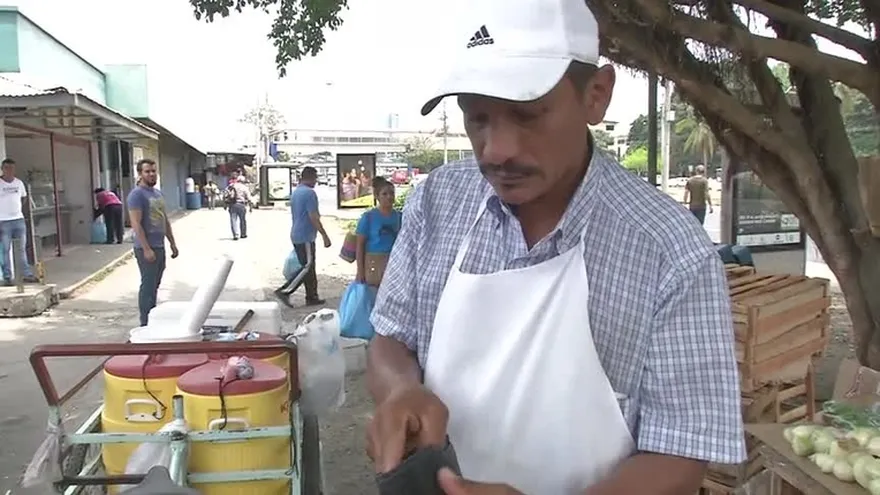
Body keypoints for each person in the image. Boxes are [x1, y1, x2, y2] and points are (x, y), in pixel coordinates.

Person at [364, 1, 745, 494]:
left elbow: (683, 452)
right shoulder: (438, 202)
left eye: (527, 115)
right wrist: (400, 390)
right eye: (477, 118)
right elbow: (391, 338)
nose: (497, 150)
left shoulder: (669, 250)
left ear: (596, 95)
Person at [128, 158, 179, 327]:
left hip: (159, 246)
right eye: (147, 171)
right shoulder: (137, 195)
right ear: (140, 174)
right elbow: (136, 223)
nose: (151, 174)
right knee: (148, 286)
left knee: (155, 286)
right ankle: (145, 323)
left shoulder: (158, 194)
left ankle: (152, 317)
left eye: (153, 171)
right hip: (146, 248)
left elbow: (164, 220)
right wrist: (146, 248)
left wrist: (172, 243)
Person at [277, 166, 331, 306]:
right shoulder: (309, 193)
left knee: (309, 267)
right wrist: (324, 235)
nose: (316, 181)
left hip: (297, 232)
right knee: (306, 267)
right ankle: (285, 290)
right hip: (305, 235)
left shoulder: (297, 192)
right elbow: (313, 216)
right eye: (316, 178)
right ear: (312, 177)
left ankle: (312, 296)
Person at [356, 178, 401, 287]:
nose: (389, 197)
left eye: (391, 193)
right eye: (384, 194)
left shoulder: (400, 217)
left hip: (394, 261)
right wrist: (360, 271)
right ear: (377, 196)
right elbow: (360, 245)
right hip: (373, 262)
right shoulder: (368, 217)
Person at [0, 158, 37, 284]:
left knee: (21, 248)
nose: (9, 171)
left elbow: (23, 198)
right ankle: (7, 276)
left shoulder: (19, 183)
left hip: (18, 220)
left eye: (11, 168)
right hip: (3, 221)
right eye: (6, 168)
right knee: (6, 249)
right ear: (2, 169)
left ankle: (26, 274)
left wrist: (18, 211)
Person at [225, 171, 251, 240]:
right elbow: (249, 198)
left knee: (233, 220)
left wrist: (225, 205)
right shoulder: (244, 187)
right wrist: (250, 206)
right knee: (243, 220)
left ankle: (235, 235)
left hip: (232, 205)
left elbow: (226, 195)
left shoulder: (230, 186)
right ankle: (243, 234)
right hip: (241, 205)